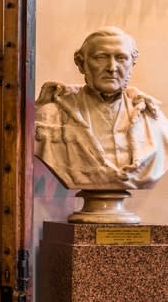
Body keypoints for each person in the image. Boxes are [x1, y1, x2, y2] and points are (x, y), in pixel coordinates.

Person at [35, 26, 168, 190]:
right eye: (101, 58)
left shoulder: (153, 121)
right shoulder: (51, 116)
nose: (112, 67)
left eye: (121, 58)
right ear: (81, 64)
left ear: (132, 64)